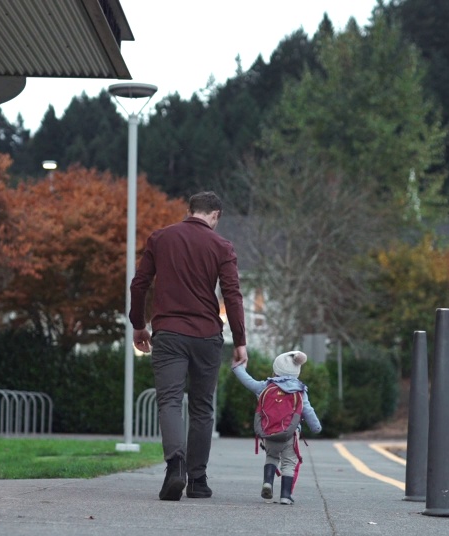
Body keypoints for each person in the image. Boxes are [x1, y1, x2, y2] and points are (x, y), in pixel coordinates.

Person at [130, 191, 247, 501]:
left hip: (168, 332)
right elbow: (233, 295)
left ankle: (175, 467)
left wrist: (138, 324)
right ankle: (197, 480)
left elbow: (139, 284)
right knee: (202, 406)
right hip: (207, 336)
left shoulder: (161, 238)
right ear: (216, 215)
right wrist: (240, 341)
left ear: (189, 210)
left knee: (168, 400)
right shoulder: (222, 246)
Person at [232, 351, 322, 505]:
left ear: (275, 370)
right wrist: (316, 427)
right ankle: (286, 496)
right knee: (289, 462)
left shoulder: (265, 386)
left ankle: (268, 482)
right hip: (291, 434)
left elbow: (248, 381)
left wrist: (237, 367)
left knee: (272, 457)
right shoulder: (299, 390)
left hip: (269, 432)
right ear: (297, 372)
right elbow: (308, 410)